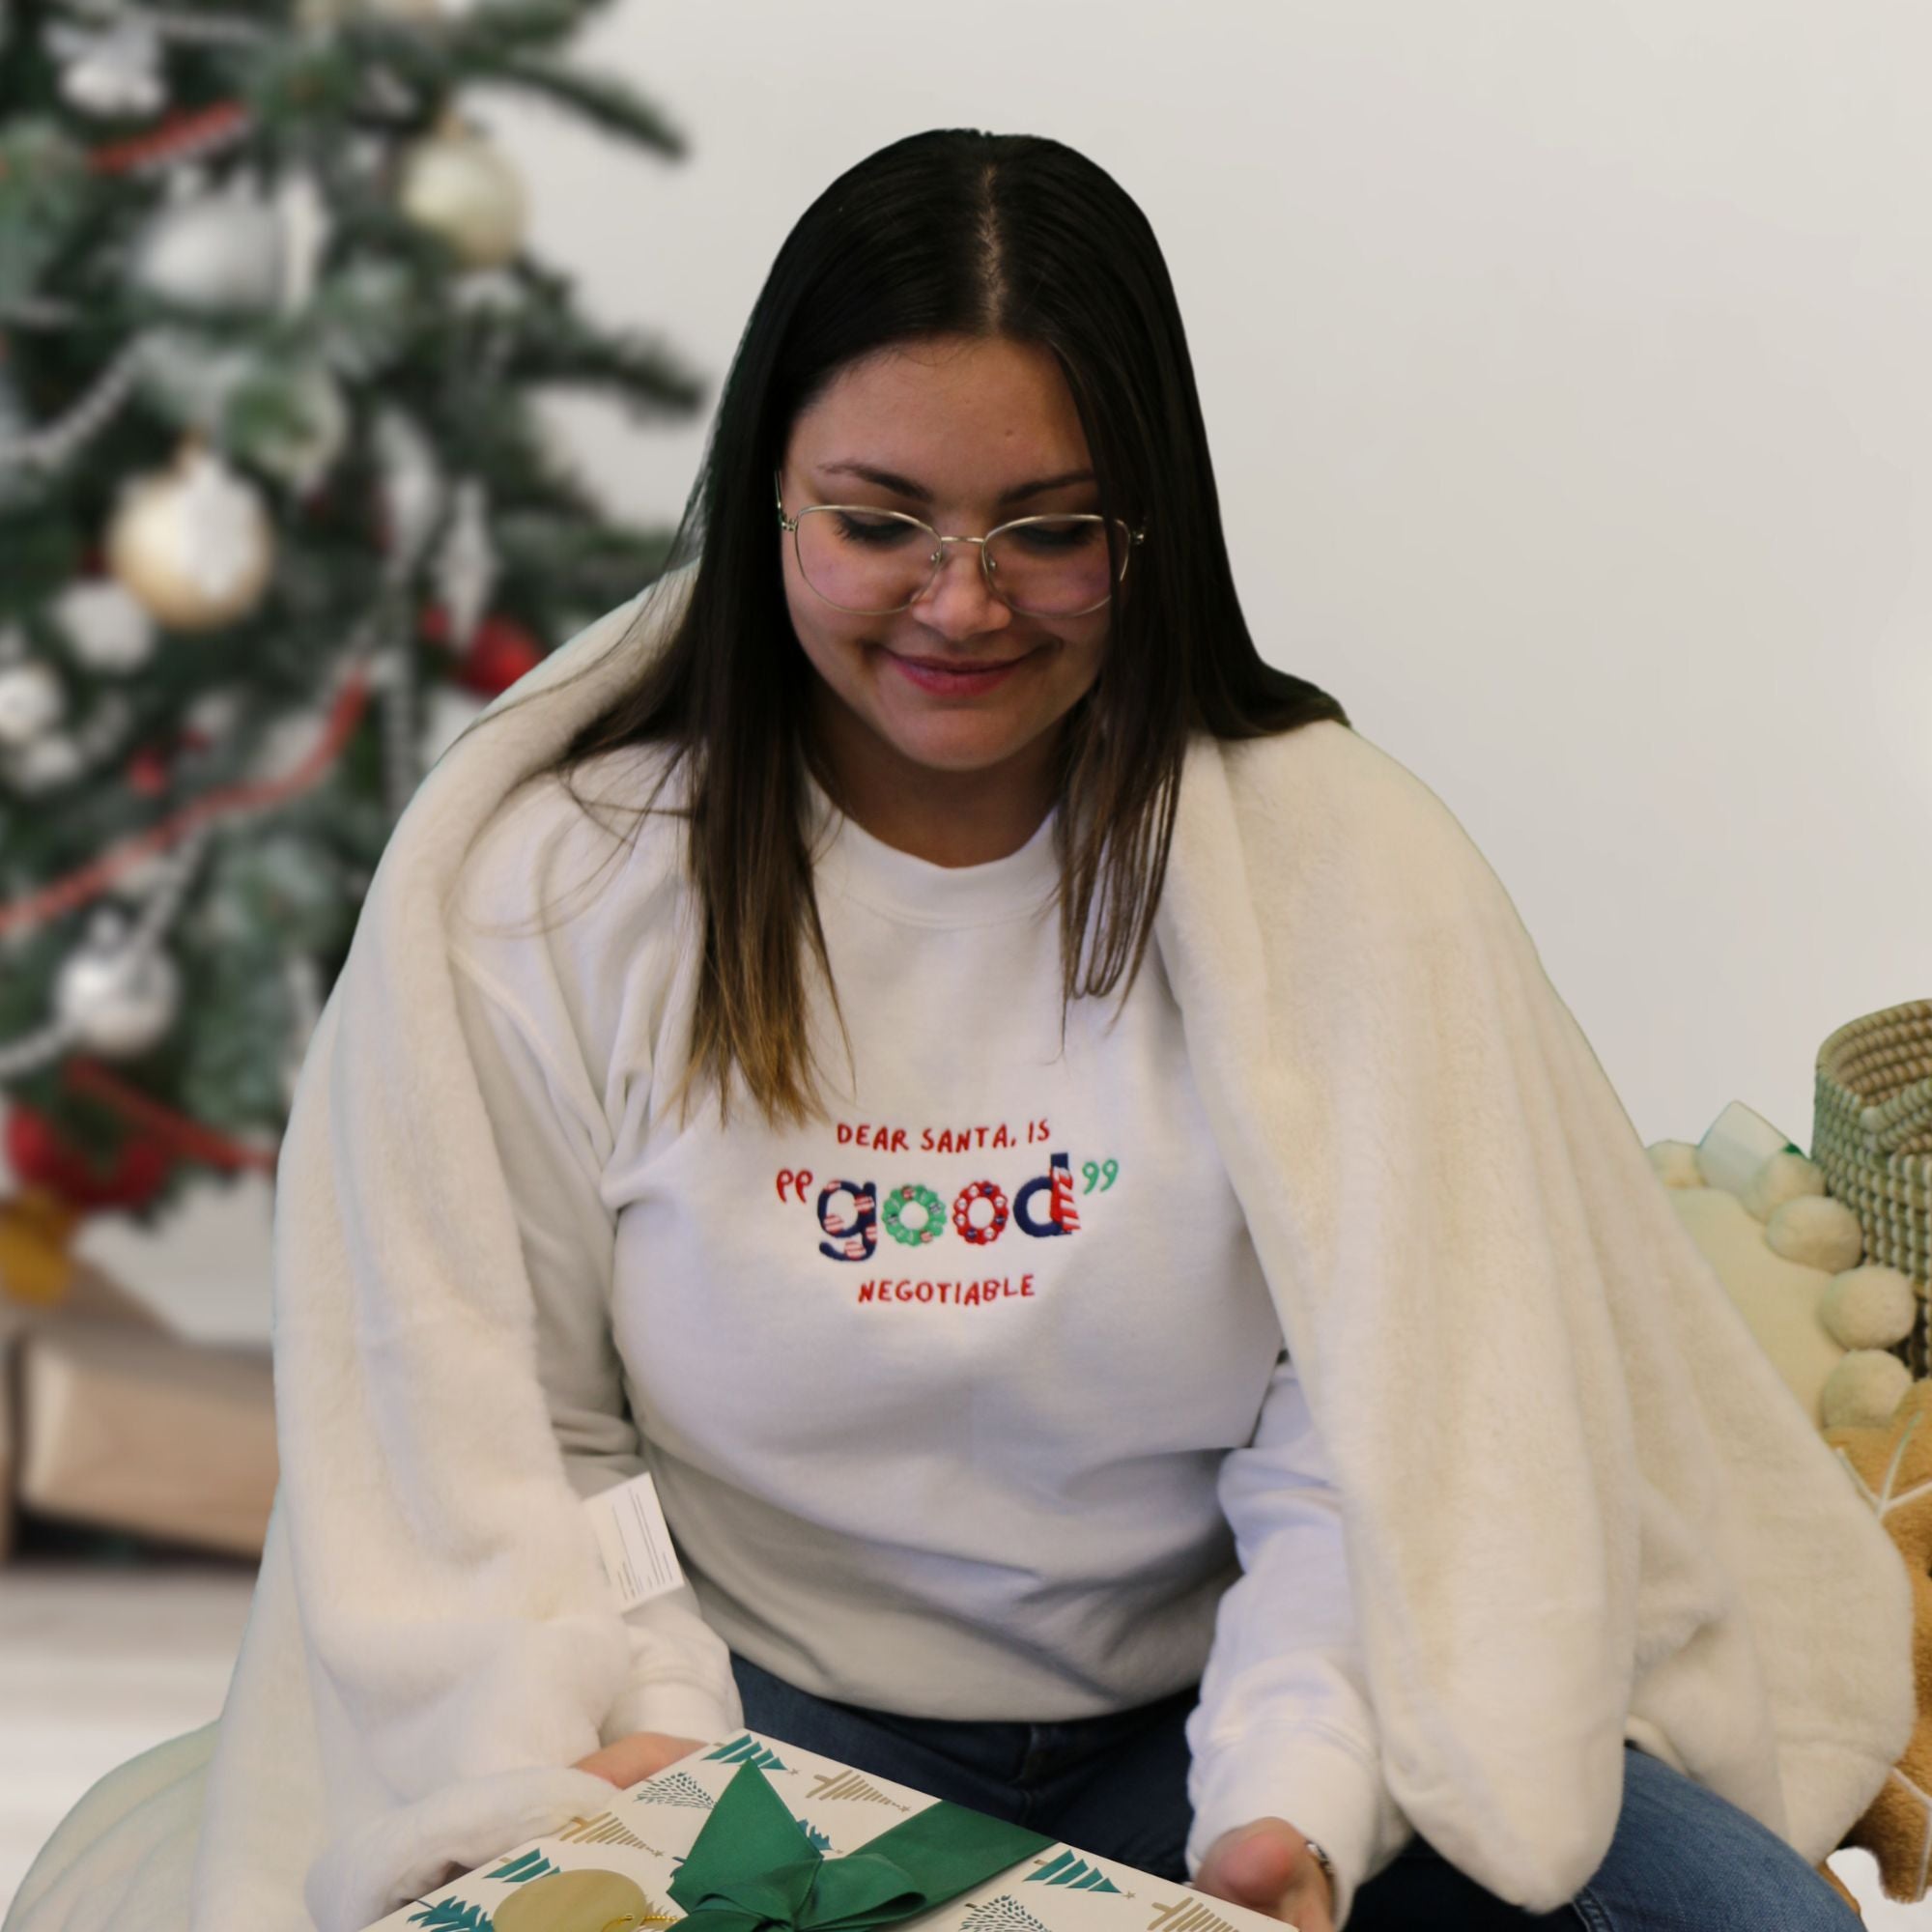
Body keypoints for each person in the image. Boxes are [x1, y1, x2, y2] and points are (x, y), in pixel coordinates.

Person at [11, 128, 1905, 1932]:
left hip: (1208, 1709)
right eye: (877, 521)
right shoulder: (556, 886)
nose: (961, 602)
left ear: (1146, 525)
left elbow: (1383, 1432)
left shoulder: (1345, 874)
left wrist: (1287, 1804)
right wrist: (655, 1765)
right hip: (757, 1715)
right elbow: (510, 1429)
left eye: (1047, 530)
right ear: (768, 496)